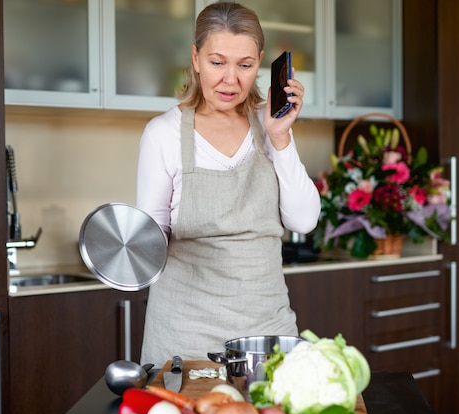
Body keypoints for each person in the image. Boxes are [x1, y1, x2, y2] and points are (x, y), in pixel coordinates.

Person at [136, 2, 321, 368]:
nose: (230, 80)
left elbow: (304, 221)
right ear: (196, 58)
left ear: (262, 63)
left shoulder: (271, 127)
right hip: (183, 336)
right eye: (217, 62)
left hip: (266, 332)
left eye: (245, 65)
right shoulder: (163, 134)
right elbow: (150, 241)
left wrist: (280, 138)